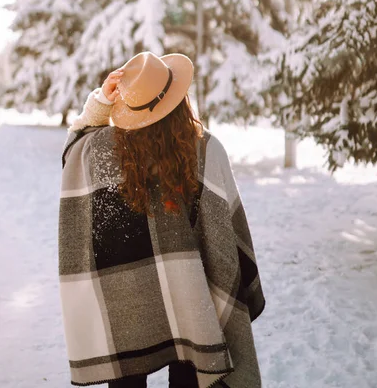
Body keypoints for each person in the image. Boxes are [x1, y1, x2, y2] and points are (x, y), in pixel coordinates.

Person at [59, 51, 265, 388]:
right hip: (190, 293)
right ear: (180, 99)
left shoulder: (97, 152)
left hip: (126, 299)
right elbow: (226, 234)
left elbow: (72, 149)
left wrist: (98, 103)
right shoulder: (205, 149)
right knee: (192, 364)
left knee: (127, 377)